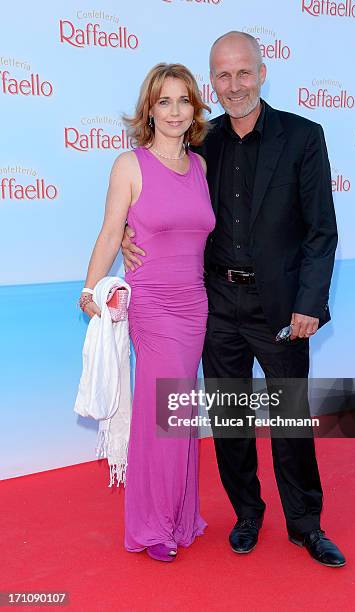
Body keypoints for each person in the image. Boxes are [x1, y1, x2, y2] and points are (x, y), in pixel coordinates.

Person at [122, 32, 346, 568]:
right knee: (230, 420)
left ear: (262, 73)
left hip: (283, 308)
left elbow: (321, 231)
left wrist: (310, 303)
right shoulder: (203, 143)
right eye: (222, 76)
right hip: (217, 303)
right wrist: (129, 237)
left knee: (289, 419)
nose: (234, 85)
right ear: (211, 84)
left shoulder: (303, 137)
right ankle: (247, 514)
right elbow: (150, 195)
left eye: (243, 73)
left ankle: (306, 524)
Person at [78, 63, 215, 562]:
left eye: (184, 100)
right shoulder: (129, 165)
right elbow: (112, 231)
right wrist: (90, 287)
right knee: (167, 412)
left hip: (195, 304)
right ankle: (153, 523)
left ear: (195, 108)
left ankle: (180, 515)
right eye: (164, 101)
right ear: (149, 110)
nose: (175, 111)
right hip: (153, 306)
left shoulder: (200, 167)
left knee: (180, 411)